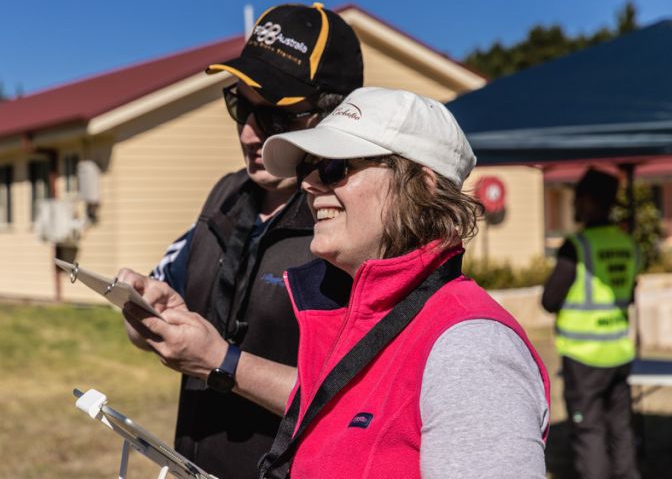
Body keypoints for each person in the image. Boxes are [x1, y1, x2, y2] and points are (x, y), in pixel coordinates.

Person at [118, 3, 363, 479]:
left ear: (335, 116)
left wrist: (221, 363)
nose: (250, 135)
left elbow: (360, 402)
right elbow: (149, 316)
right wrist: (147, 315)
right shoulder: (227, 197)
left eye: (273, 117)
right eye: (240, 107)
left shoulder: (356, 224)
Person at [256, 87, 551, 478]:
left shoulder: (470, 348)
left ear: (422, 186)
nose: (309, 184)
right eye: (306, 168)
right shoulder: (353, 317)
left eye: (334, 167)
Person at [542, 168, 641, 479]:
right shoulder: (628, 243)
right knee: (620, 428)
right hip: (619, 352)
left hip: (584, 356)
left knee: (590, 431)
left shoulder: (578, 246)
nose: (574, 207)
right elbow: (630, 292)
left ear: (589, 202)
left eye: (578, 200)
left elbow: (549, 300)